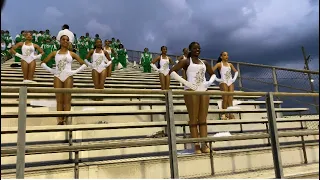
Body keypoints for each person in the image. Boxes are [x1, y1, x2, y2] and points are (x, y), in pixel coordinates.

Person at [169, 42, 217, 154]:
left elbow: (213, 74)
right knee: (193, 118)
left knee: (203, 119)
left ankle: (204, 145)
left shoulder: (204, 62)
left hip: (203, 90)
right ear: (190, 49)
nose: (197, 49)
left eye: (199, 48)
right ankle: (196, 145)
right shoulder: (186, 61)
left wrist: (209, 82)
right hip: (191, 91)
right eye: (195, 48)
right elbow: (172, 72)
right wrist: (186, 83)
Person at [40, 34, 87, 125]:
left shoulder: (72, 53)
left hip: (68, 77)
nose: (65, 41)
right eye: (63, 39)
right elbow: (43, 63)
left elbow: (84, 64)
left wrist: (74, 72)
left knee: (67, 99)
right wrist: (52, 70)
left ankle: (66, 119)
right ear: (60, 41)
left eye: (67, 40)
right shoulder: (54, 53)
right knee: (59, 100)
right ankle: (60, 120)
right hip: (57, 76)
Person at [212, 52, 238, 120]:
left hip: (230, 81)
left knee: (230, 99)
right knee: (225, 98)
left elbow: (236, 71)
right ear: (221, 57)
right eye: (224, 55)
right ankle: (224, 113)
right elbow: (211, 71)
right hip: (223, 81)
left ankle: (231, 114)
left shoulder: (230, 64)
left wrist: (234, 79)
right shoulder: (219, 64)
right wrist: (217, 79)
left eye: (227, 55)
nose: (226, 56)